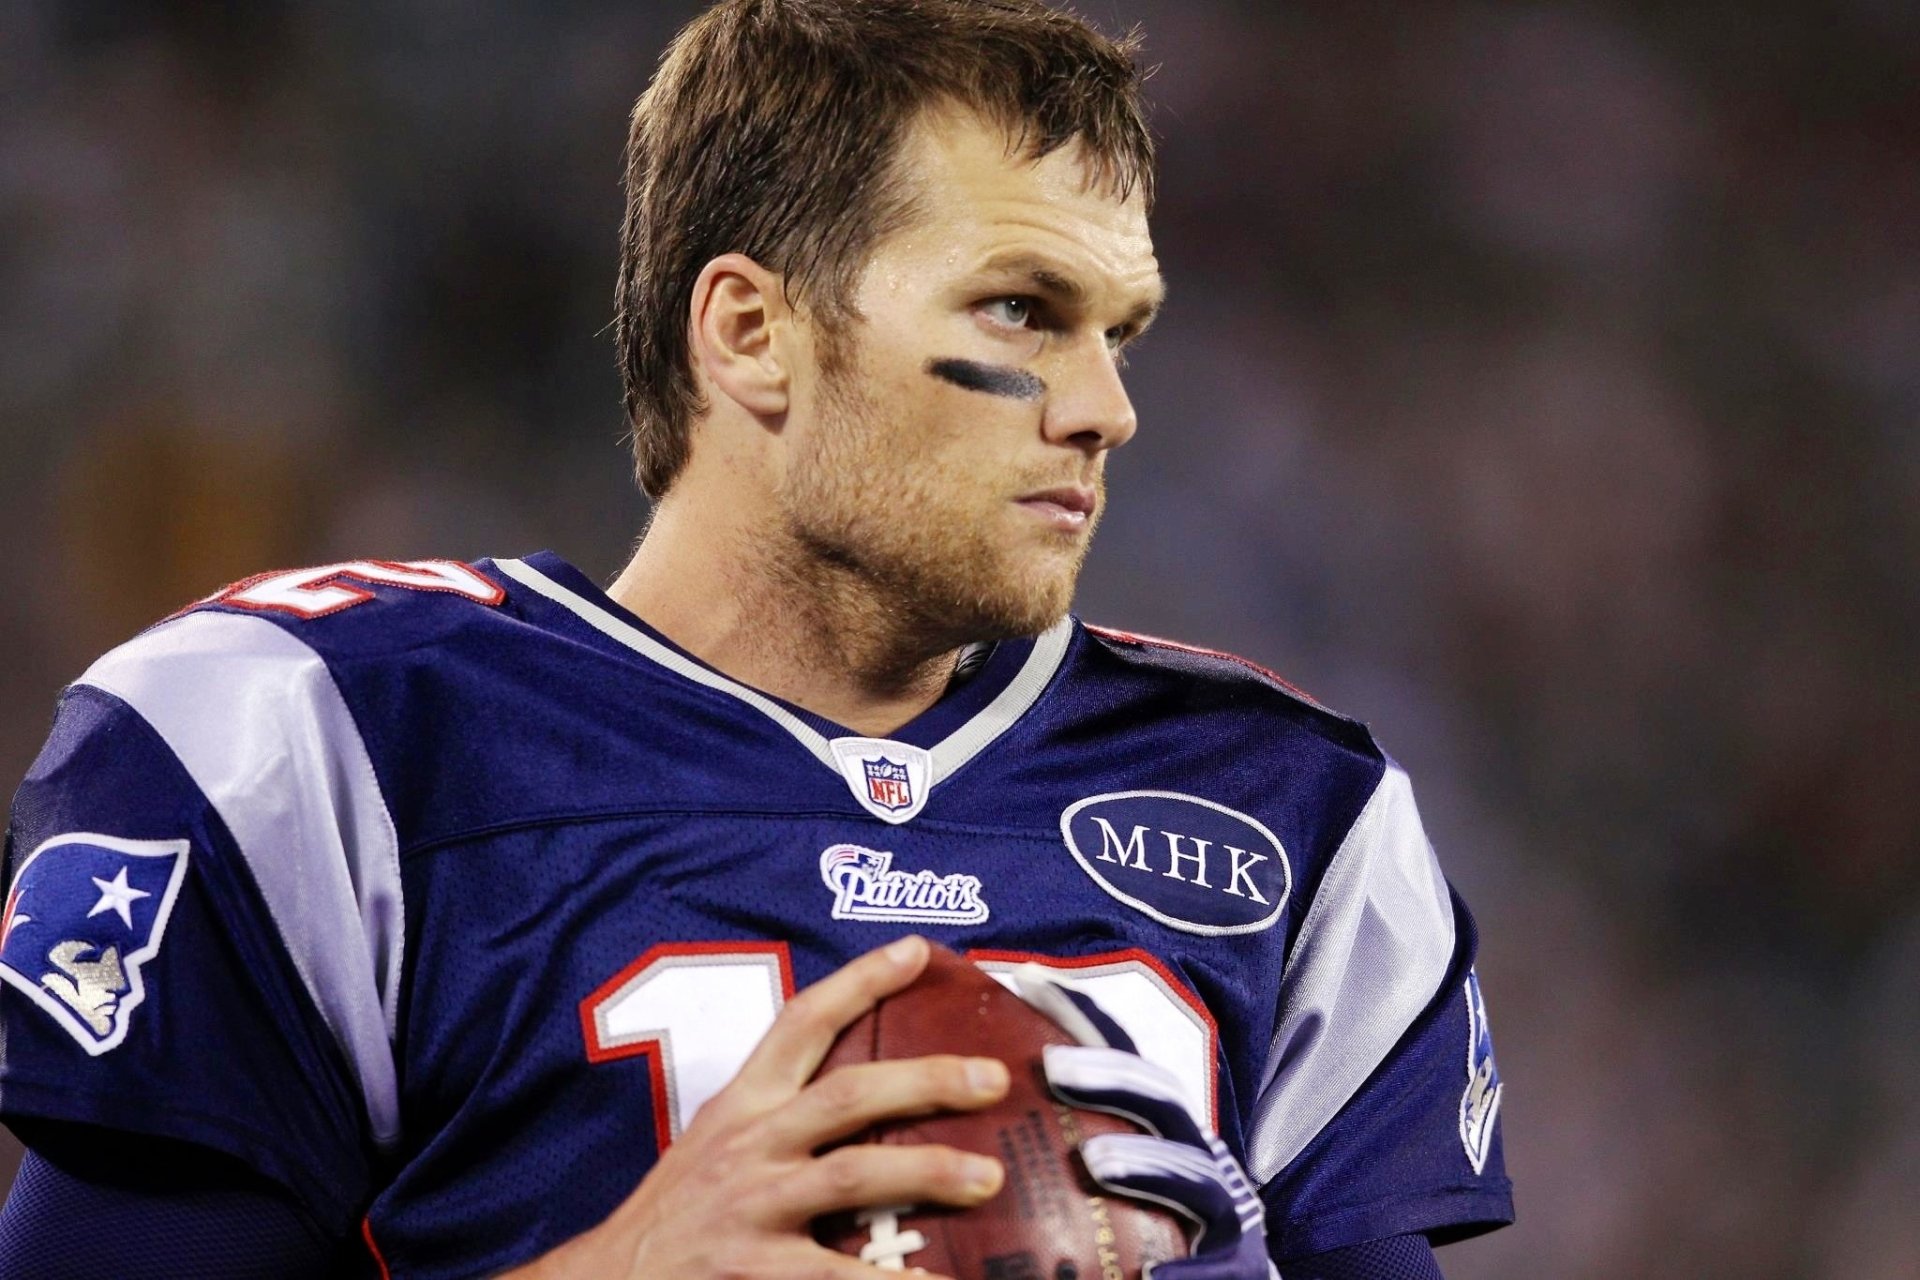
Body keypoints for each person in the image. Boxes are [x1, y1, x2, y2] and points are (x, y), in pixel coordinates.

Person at [0, 1, 1512, 1276]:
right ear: (749, 333)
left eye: (1120, 329)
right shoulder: (330, 739)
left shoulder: (1288, 807)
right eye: (1020, 312)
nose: (1105, 408)